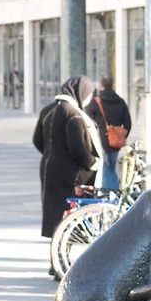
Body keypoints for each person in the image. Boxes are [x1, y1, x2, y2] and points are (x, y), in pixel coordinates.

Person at [33, 76, 102, 269]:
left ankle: (54, 261)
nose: (88, 100)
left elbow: (37, 140)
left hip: (48, 168)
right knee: (68, 215)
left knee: (54, 214)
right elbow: (78, 148)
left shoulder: (48, 110)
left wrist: (51, 154)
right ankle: (61, 260)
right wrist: (92, 163)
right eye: (88, 95)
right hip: (69, 173)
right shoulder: (74, 115)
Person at [84, 76, 131, 191]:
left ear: (101, 86)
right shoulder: (120, 101)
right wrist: (121, 135)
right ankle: (114, 192)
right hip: (116, 141)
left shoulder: (96, 102)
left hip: (101, 139)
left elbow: (88, 119)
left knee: (105, 167)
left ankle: (106, 193)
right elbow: (128, 123)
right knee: (111, 167)